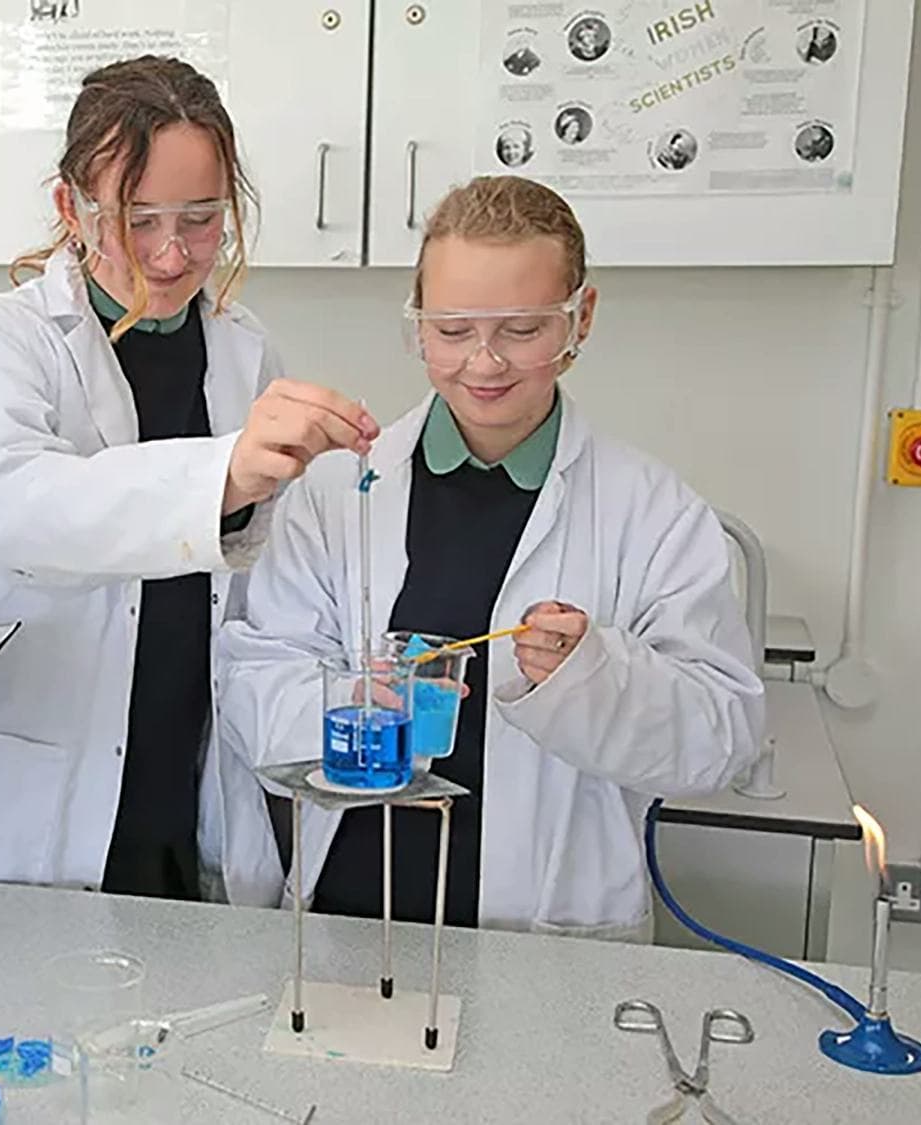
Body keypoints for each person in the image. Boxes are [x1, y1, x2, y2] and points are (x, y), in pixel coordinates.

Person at [0, 56, 373, 934]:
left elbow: (258, 595)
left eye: (201, 218)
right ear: (71, 207)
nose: (173, 253)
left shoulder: (247, 355)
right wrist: (222, 475)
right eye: (138, 220)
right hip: (12, 806)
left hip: (174, 779)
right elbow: (10, 509)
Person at [217, 175, 765, 938]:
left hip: (542, 934)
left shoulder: (654, 512)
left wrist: (594, 677)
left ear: (582, 320)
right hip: (344, 909)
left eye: (522, 329)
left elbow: (722, 740)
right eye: (451, 331)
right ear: (416, 324)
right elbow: (251, 677)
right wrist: (342, 698)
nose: (484, 363)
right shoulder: (338, 491)